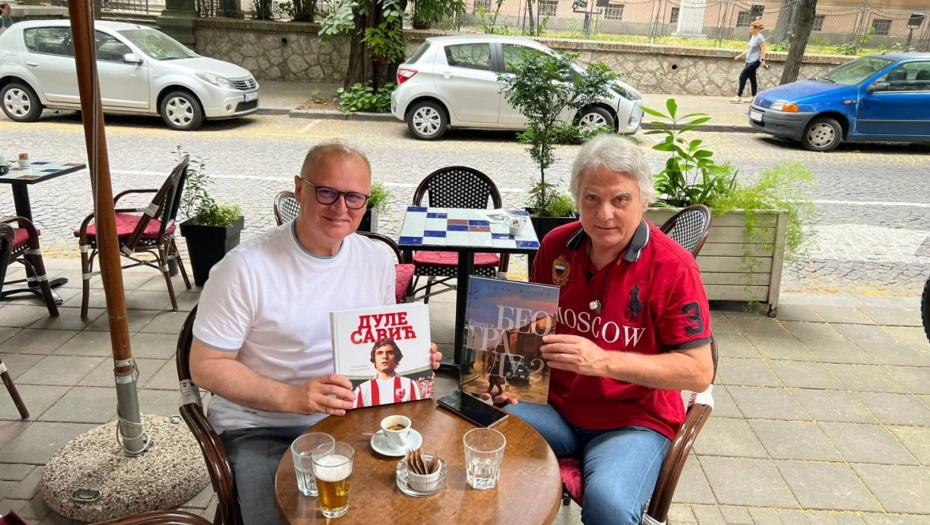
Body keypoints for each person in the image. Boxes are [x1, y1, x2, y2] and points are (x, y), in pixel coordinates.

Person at [189, 141, 442, 525]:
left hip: (352, 418)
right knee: (283, 518)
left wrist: (416, 356)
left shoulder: (375, 258)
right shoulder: (244, 268)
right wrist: (292, 396)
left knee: (408, 508)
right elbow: (205, 366)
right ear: (299, 189)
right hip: (262, 427)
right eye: (326, 192)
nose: (341, 208)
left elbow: (379, 339)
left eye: (354, 197)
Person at [491, 135, 714, 525]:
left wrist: (602, 361)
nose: (604, 214)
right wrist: (496, 372)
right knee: (471, 424)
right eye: (591, 198)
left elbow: (698, 371)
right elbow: (531, 330)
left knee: (609, 504)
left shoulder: (674, 268)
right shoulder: (556, 246)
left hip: (634, 420)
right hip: (555, 407)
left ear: (644, 201)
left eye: (620, 199)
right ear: (577, 199)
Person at [352, 337, 423, 407]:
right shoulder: (362, 389)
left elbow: (417, 411)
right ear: (374, 359)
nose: (385, 356)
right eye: (380, 353)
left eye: (389, 352)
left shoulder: (410, 384)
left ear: (396, 358)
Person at [731, 20, 767, 103]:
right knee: (752, 78)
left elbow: (763, 49)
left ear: (757, 29)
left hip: (755, 61)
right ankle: (753, 97)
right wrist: (740, 55)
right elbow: (749, 49)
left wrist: (763, 60)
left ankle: (738, 96)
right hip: (749, 60)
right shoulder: (753, 37)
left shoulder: (760, 37)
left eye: (752, 29)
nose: (750, 30)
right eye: (750, 29)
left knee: (742, 76)